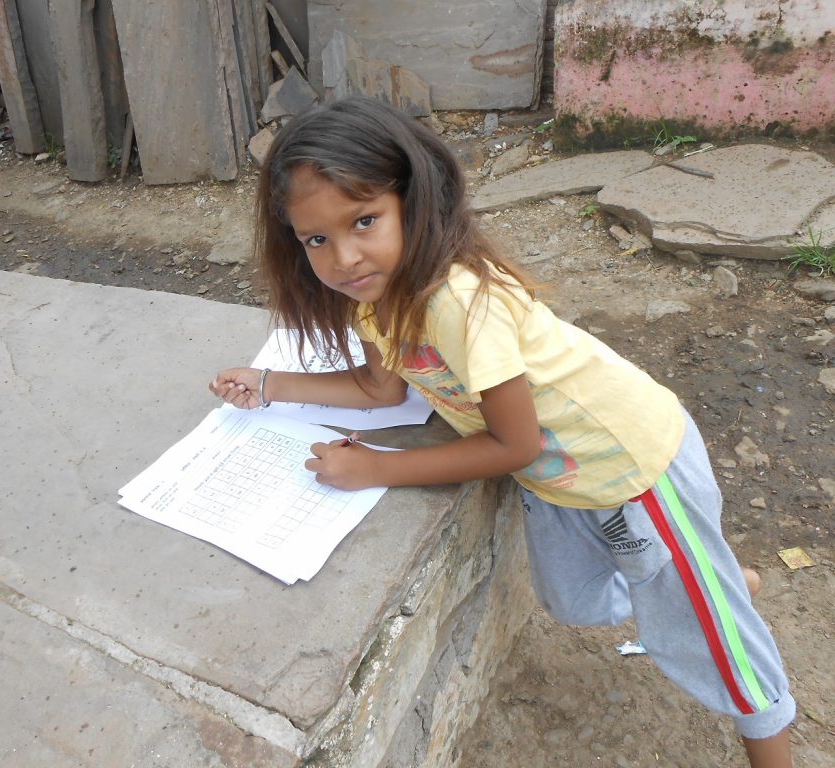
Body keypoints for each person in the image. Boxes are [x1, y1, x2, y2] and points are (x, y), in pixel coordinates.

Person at [208, 97, 795, 766]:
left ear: (412, 201)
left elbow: (513, 445)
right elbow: (382, 387)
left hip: (633, 468)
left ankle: (729, 639)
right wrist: (267, 386)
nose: (343, 256)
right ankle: (714, 585)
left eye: (364, 220)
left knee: (723, 652)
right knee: (571, 602)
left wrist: (374, 466)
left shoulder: (456, 302)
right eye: (317, 239)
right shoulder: (372, 298)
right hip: (563, 483)